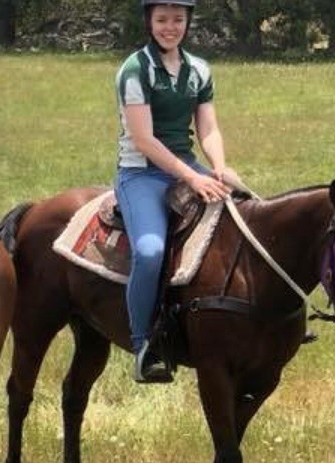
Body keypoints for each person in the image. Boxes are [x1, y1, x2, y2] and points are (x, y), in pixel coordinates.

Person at [115, 0, 235, 383]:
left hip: (188, 167)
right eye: (162, 19)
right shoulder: (135, 69)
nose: (171, 27)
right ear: (149, 21)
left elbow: (209, 129)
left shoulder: (199, 69)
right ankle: (143, 346)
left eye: (178, 19)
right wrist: (194, 178)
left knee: (253, 212)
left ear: (188, 22)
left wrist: (217, 165)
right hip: (141, 174)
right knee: (149, 253)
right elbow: (144, 140)